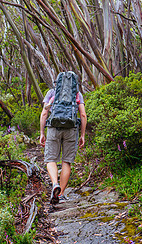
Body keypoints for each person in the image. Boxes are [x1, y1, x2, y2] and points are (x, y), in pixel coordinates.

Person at [39, 75, 87, 205]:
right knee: (66, 162)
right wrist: (82, 135)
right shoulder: (77, 94)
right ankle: (60, 194)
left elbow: (44, 113)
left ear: (58, 82)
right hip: (71, 129)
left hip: (53, 128)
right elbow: (82, 114)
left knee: (50, 159)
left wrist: (42, 133)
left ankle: (55, 184)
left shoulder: (51, 92)